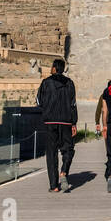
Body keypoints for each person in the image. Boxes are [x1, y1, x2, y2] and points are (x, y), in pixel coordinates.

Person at [37, 58, 77, 192]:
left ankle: (54, 185)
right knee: (68, 149)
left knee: (51, 153)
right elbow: (73, 104)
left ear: (54, 68)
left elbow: (39, 101)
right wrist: (74, 122)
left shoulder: (46, 82)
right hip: (66, 121)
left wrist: (48, 109)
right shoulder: (70, 83)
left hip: (50, 122)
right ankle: (64, 172)